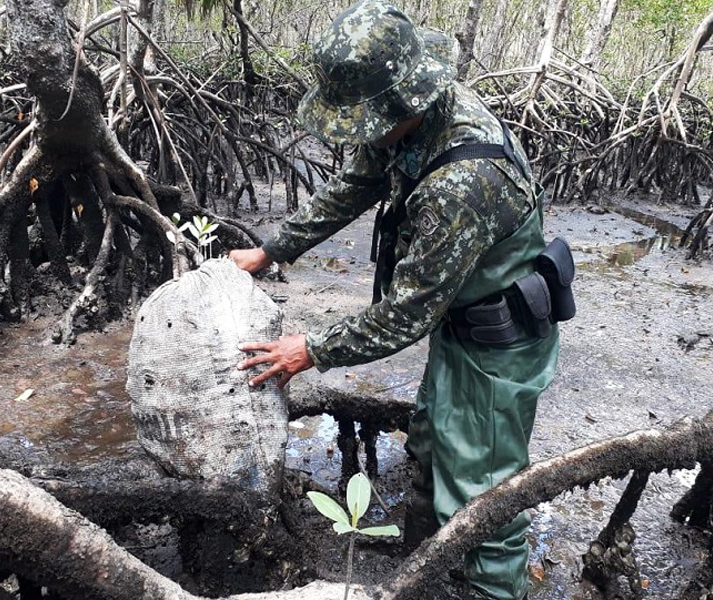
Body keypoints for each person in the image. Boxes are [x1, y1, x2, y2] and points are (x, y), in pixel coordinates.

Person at [229, 1, 561, 598]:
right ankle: (433, 564)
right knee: (433, 441)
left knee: (483, 492)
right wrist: (271, 250)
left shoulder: (461, 181)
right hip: (462, 327)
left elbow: (408, 312)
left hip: (498, 345)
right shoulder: (409, 121)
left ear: (398, 102)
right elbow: (353, 184)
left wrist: (313, 349)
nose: (361, 132)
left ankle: (490, 586)